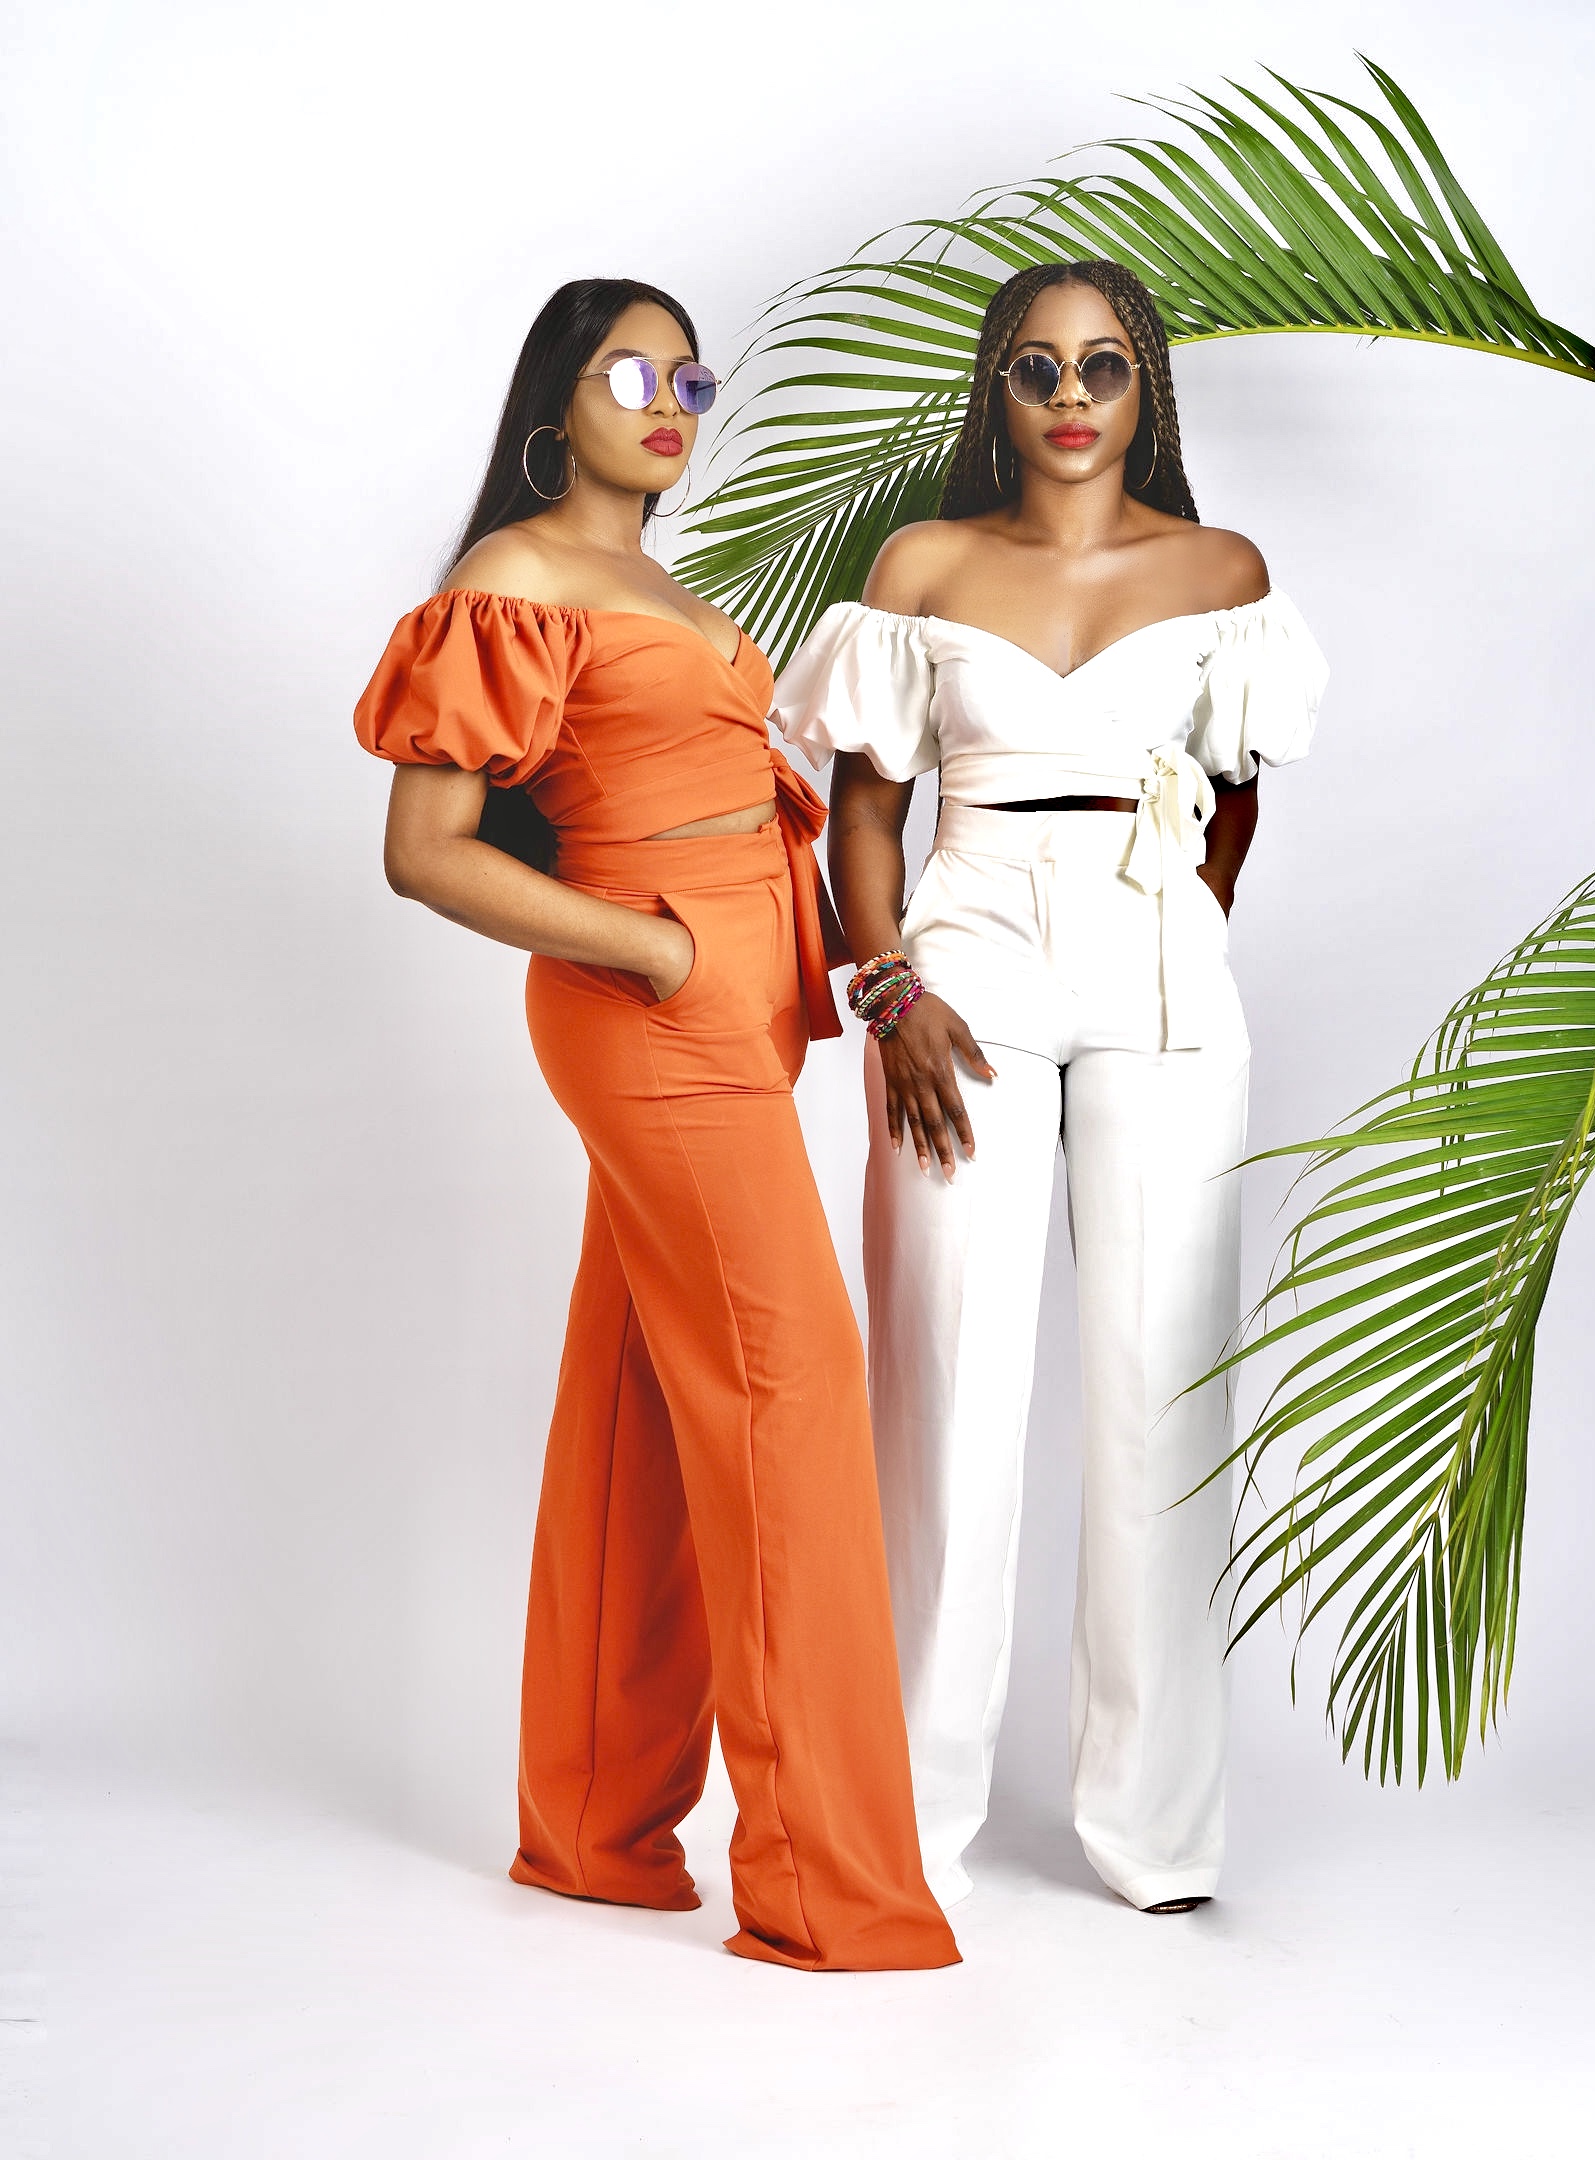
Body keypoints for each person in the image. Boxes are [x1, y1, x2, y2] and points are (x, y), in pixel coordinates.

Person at [354, 278, 958, 1972]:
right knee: (790, 1390)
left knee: (638, 1395)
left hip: (738, 1011)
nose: (669, 403)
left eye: (690, 379)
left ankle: (593, 1828)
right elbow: (425, 850)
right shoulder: (518, 574)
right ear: (559, 397)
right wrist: (654, 950)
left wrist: (834, 974)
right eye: (632, 373)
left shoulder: (664, 587)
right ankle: (826, 1887)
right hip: (656, 1010)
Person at [772, 260, 1327, 1915]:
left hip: (1158, 972)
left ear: (1147, 384)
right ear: (996, 391)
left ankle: (1154, 1833)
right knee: (943, 1383)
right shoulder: (924, 566)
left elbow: (1232, 789)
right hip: (964, 961)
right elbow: (866, 811)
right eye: (1036, 368)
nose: (1071, 396)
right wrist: (889, 988)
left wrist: (1182, 922)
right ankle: (904, 1819)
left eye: (1102, 365)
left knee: (1166, 1392)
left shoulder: (1222, 573)